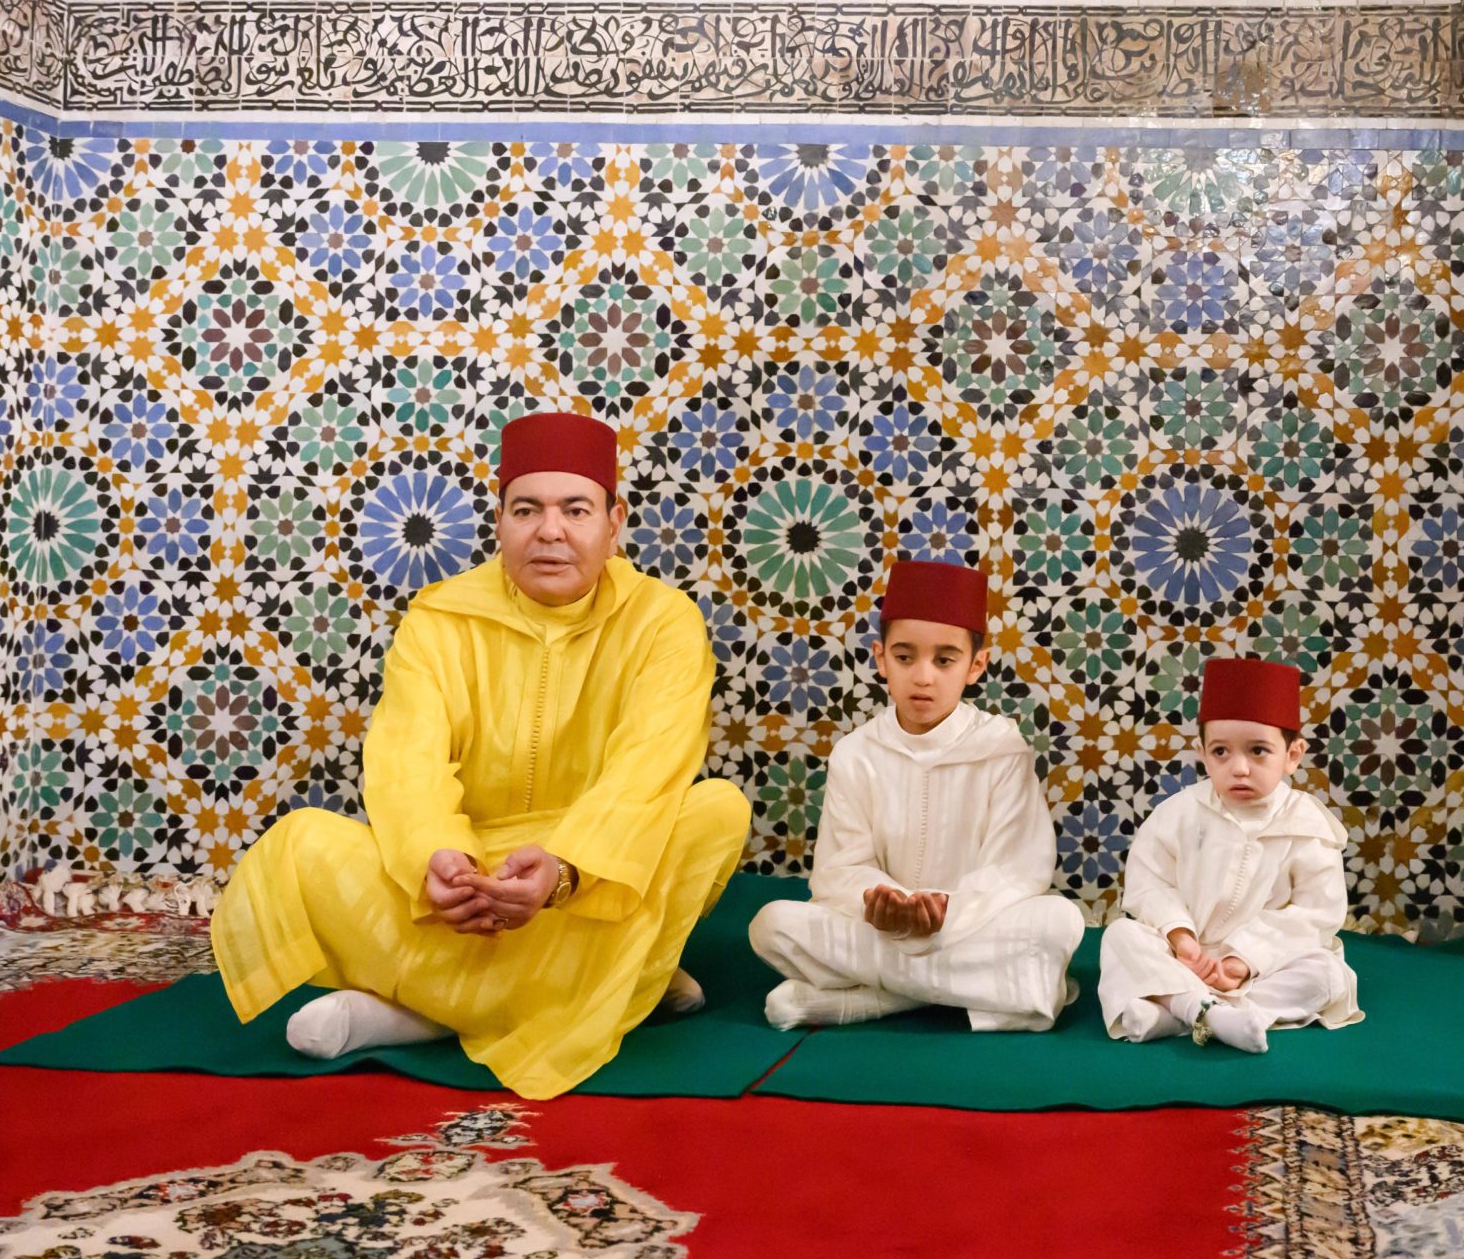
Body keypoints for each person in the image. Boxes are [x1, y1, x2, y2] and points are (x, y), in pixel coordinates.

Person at [210, 412, 750, 1100]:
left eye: (575, 509)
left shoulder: (663, 621)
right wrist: (438, 860)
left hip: (583, 873)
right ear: (499, 520)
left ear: (614, 523)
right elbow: (406, 762)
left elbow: (645, 773)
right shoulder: (439, 618)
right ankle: (612, 977)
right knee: (301, 844)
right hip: (464, 873)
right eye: (526, 510)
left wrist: (564, 872)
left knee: (714, 811)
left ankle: (413, 1014)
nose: (549, 531)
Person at [748, 558, 1081, 1031]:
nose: (924, 677)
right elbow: (839, 870)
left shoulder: (1002, 749)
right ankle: (1008, 994)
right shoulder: (856, 754)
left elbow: (1017, 869)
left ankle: (868, 1002)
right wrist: (886, 906)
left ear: (976, 665)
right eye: (905, 658)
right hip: (879, 931)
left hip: (969, 928)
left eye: (944, 660)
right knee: (771, 925)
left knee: (1058, 922)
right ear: (881, 658)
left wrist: (945, 913)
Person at [1098, 657, 1360, 1053]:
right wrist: (1182, 939)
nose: (1239, 768)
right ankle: (1210, 1013)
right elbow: (1150, 881)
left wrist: (1243, 960)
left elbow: (1316, 913)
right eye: (1221, 751)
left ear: (1293, 755)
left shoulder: (1308, 826)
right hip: (1181, 957)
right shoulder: (1178, 813)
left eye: (1258, 751)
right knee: (1122, 936)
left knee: (1327, 975)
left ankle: (1178, 1013)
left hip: (1263, 966)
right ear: (1202, 753)